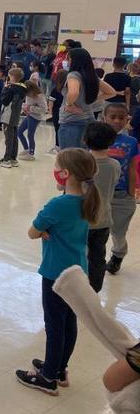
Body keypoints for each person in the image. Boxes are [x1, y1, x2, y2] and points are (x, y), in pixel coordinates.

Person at [15, 148, 99, 396]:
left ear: (66, 173)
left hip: (55, 273)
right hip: (77, 270)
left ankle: (48, 377)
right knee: (68, 321)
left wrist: (42, 231)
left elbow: (32, 231)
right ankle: (60, 368)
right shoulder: (89, 198)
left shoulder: (58, 204)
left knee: (54, 325)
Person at [83, 122, 120, 292]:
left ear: (85, 140)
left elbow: (65, 188)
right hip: (104, 220)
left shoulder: (82, 164)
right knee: (98, 258)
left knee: (78, 254)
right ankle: (94, 290)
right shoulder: (115, 165)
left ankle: (78, 289)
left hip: (82, 220)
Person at [103, 103, 139, 276]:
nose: (117, 121)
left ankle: (117, 255)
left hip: (121, 196)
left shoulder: (131, 142)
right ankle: (95, 258)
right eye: (113, 117)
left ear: (127, 119)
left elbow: (132, 168)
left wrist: (131, 194)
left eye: (121, 117)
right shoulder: (96, 138)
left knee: (118, 231)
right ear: (104, 118)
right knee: (95, 230)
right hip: (99, 194)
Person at [59, 48, 116, 149]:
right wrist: (94, 99)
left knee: (68, 158)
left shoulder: (73, 75)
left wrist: (69, 104)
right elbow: (111, 92)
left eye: (69, 59)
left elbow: (74, 92)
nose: (67, 61)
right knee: (83, 156)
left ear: (74, 60)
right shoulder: (92, 76)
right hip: (89, 120)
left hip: (71, 121)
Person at [0, 67, 27, 168]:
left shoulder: (11, 88)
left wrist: (5, 88)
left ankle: (7, 159)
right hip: (16, 115)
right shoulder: (23, 87)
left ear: (12, 77)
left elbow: (4, 100)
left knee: (8, 138)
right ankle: (13, 158)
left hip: (8, 116)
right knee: (14, 138)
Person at [17, 80, 46, 161]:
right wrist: (25, 107)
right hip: (29, 115)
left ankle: (31, 154)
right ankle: (26, 149)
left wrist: (30, 108)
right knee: (19, 132)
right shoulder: (28, 95)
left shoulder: (40, 96)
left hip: (35, 118)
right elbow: (27, 104)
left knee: (30, 135)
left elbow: (44, 109)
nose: (27, 95)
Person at [47, 69, 67, 154]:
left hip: (56, 112)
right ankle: (63, 145)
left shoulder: (55, 89)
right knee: (63, 129)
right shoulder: (68, 89)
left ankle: (58, 146)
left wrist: (50, 111)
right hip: (66, 112)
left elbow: (51, 102)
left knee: (57, 129)